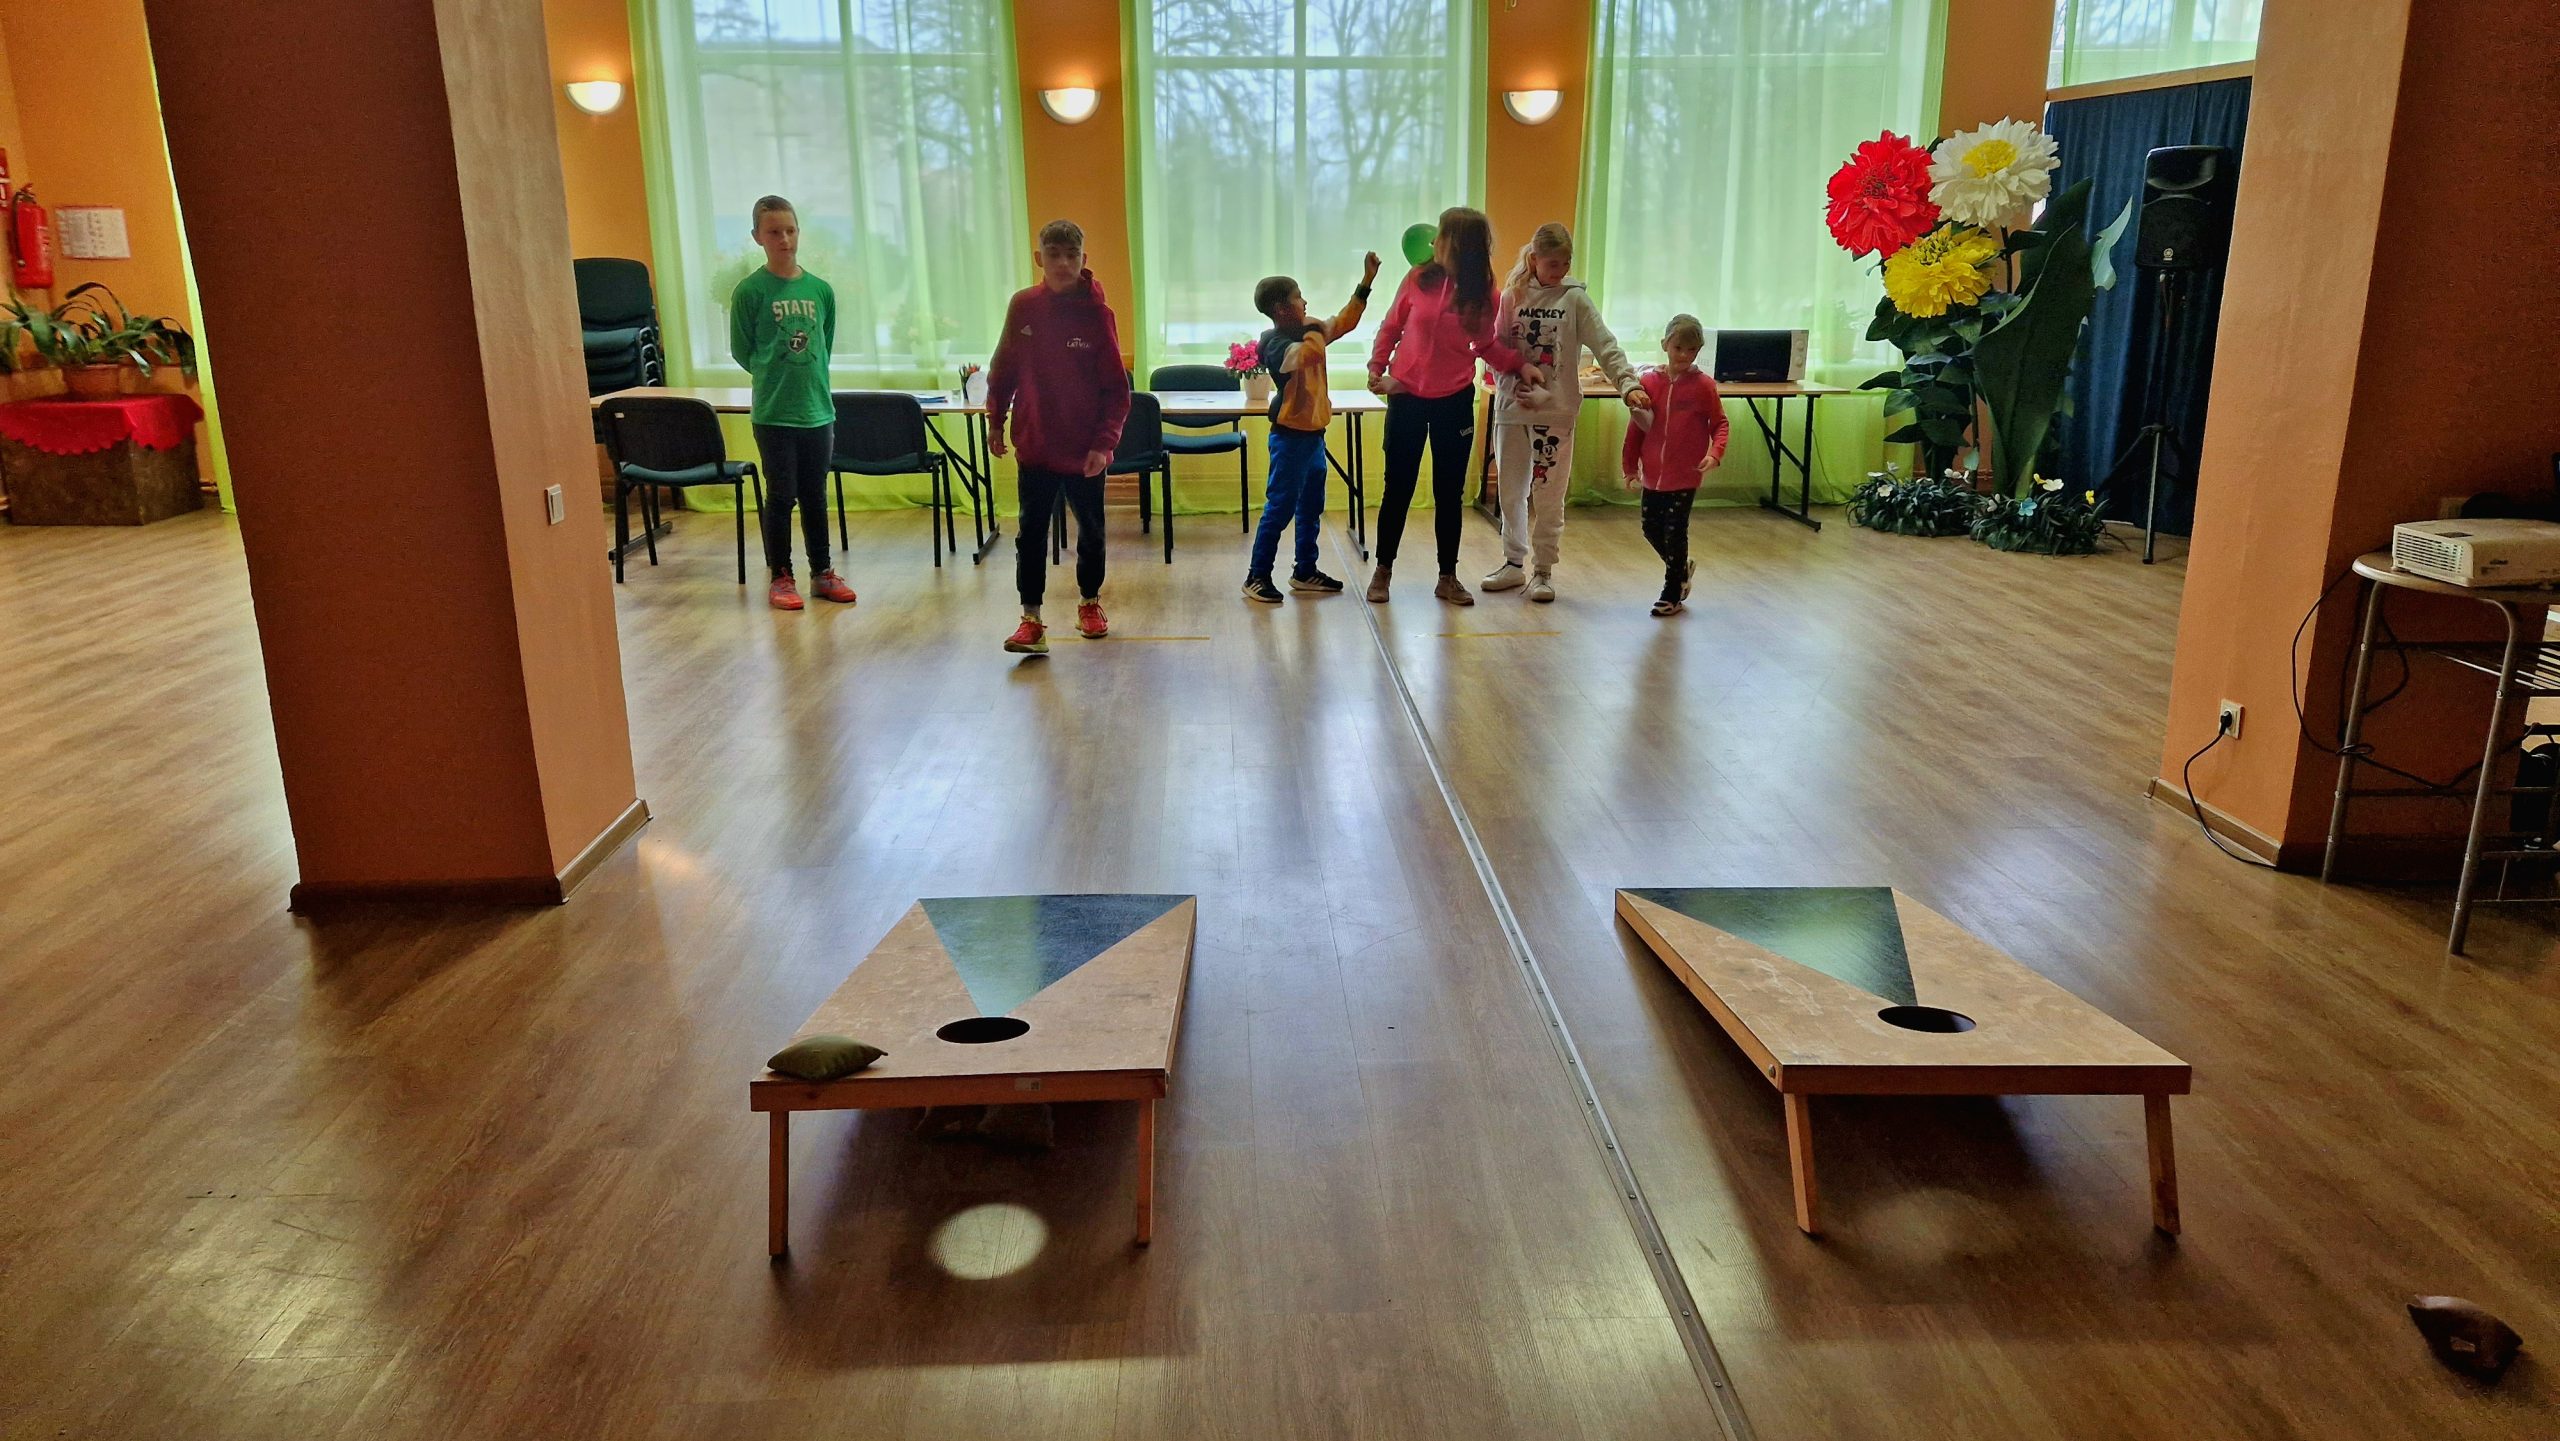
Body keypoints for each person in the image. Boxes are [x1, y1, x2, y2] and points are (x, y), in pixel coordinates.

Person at [1363, 207, 1536, 607]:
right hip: (1406, 397)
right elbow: (1391, 326)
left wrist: (1520, 365)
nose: (1434, 241)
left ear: (1457, 244)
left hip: (1454, 402)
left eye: (1441, 234)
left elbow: (1486, 345)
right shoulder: (1417, 278)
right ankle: (1383, 570)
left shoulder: (1485, 294)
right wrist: (1376, 367)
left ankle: (1448, 576)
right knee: (1398, 487)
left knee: (1449, 492)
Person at [1482, 222, 1648, 604]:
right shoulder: (1511, 297)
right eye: (1552, 263)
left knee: (1549, 495)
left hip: (1555, 414)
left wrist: (1629, 384)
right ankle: (1513, 563)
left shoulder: (1575, 300)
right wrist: (1511, 387)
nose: (1560, 270)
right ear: (1534, 260)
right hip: (1513, 411)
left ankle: (1542, 571)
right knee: (1511, 492)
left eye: (1566, 262)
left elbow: (1606, 345)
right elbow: (1495, 351)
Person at [987, 219, 1131, 655]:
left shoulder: (1098, 314)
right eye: (1054, 255)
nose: (1064, 263)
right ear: (1040, 259)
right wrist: (996, 420)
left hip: (1085, 450)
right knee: (1030, 533)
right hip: (1035, 444)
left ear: (1084, 259)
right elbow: (1003, 368)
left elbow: (1116, 389)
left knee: (1091, 531)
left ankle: (1089, 602)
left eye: (1072, 255)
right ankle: (1031, 619)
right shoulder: (1023, 306)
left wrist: (1104, 444)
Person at [728, 195, 853, 611]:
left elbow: (824, 344)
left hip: (817, 411)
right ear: (757, 237)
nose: (784, 239)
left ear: (798, 232)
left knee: (815, 494)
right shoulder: (750, 291)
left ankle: (822, 572)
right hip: (774, 413)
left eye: (790, 230)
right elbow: (743, 350)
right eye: (774, 232)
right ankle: (781, 576)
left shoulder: (820, 290)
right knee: (781, 496)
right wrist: (772, 373)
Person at [1241, 252, 1379, 605]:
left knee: (1311, 507)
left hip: (1314, 437)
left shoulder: (1308, 331)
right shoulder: (1273, 343)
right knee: (1280, 507)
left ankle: (1305, 570)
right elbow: (1308, 354)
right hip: (1289, 440)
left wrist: (1366, 282)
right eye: (1298, 297)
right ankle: (1257, 576)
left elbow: (1344, 321)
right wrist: (1316, 328)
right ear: (1281, 309)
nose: (1305, 302)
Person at [1621, 313, 1730, 617]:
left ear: (1699, 350)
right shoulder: (1648, 382)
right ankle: (1681, 567)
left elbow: (1720, 423)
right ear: (1665, 345)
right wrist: (1629, 467)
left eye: (1691, 350)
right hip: (1653, 474)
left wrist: (1715, 453)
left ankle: (1672, 593)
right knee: (1650, 528)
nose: (1684, 355)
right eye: (1678, 348)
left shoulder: (1704, 386)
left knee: (1675, 531)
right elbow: (1636, 428)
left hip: (1686, 474)